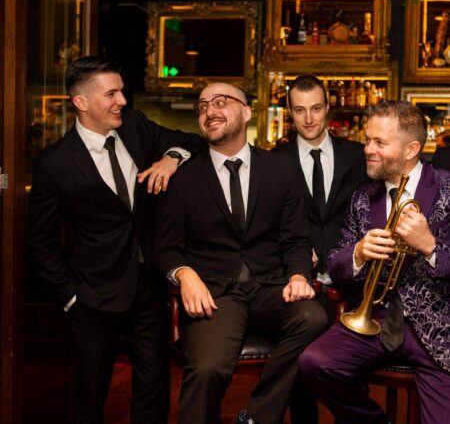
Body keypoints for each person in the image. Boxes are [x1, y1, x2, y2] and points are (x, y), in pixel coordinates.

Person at [27, 56, 203, 424]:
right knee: (90, 396)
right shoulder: (54, 162)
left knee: (154, 385)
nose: (122, 100)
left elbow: (191, 141)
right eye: (111, 93)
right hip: (92, 296)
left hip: (147, 286)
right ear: (81, 102)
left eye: (121, 91)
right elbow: (40, 240)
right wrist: (70, 297)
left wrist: (171, 157)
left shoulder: (136, 127)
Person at [154, 82, 328, 424]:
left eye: (221, 102)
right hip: (215, 294)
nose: (210, 111)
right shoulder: (183, 179)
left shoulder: (281, 170)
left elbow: (296, 238)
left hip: (270, 288)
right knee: (207, 369)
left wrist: (297, 275)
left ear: (247, 112)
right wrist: (184, 275)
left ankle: (258, 417)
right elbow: (165, 248)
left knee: (314, 319)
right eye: (202, 107)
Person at [298, 100, 450, 424]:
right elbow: (337, 266)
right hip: (375, 322)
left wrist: (429, 245)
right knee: (315, 362)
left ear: (411, 149)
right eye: (368, 140)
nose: (368, 149)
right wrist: (357, 253)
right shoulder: (363, 198)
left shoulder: (448, 188)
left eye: (379, 142)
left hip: (439, 328)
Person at [273, 74, 368, 322]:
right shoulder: (274, 161)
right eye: (299, 110)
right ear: (290, 112)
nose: (308, 119)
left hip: (352, 284)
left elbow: (370, 213)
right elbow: (269, 223)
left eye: (316, 109)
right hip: (297, 284)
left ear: (327, 107)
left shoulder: (357, 156)